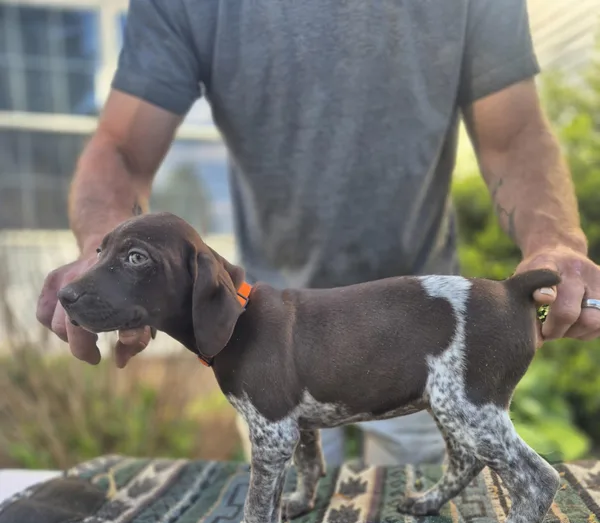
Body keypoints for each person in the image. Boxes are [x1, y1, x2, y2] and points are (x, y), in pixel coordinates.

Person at [37, 0, 600, 466]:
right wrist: (107, 256)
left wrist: (555, 241)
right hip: (262, 334)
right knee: (286, 502)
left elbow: (514, 133)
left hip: (421, 324)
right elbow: (122, 147)